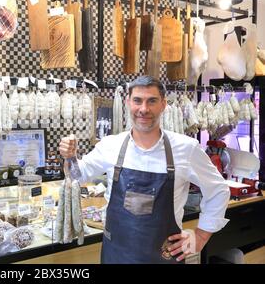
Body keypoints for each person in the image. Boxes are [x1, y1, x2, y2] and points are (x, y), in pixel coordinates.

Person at [59, 76, 230, 264]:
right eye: (137, 100)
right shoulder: (110, 145)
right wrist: (70, 157)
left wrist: (200, 237)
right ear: (128, 103)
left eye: (152, 101)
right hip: (116, 255)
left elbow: (218, 190)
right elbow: (77, 175)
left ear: (163, 104)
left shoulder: (186, 148)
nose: (143, 109)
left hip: (164, 257)